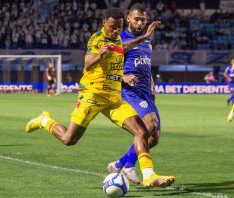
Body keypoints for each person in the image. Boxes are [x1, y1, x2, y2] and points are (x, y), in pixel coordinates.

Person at [25, 7, 175, 188]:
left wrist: (144, 37)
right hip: (92, 96)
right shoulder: (97, 39)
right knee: (68, 140)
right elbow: (87, 63)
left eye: (118, 27)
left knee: (142, 131)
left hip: (113, 99)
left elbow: (123, 46)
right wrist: (99, 55)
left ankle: (149, 175)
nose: (116, 31)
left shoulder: (118, 39)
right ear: (104, 23)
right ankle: (44, 120)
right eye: (112, 27)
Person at [107, 3, 172, 185]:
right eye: (136, 19)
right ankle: (145, 174)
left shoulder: (147, 41)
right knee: (149, 124)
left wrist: (151, 83)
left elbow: (145, 64)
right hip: (130, 91)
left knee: (154, 138)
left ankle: (121, 164)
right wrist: (123, 76)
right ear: (128, 18)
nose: (140, 22)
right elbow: (108, 65)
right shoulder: (120, 38)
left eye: (143, 19)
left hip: (145, 92)